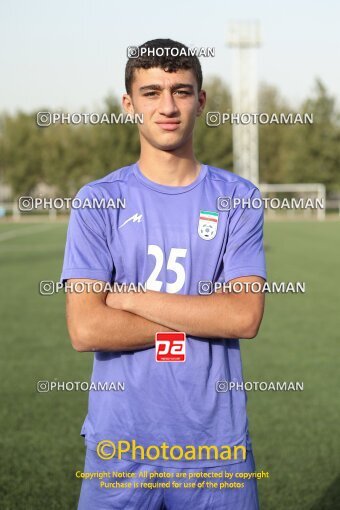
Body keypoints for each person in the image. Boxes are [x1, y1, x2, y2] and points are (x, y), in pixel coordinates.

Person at [61, 38, 266, 510]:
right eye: (152, 92)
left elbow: (243, 319)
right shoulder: (98, 200)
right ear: (129, 104)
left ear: (201, 101)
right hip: (120, 448)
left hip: (216, 448)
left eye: (181, 90)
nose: (168, 106)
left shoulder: (238, 197)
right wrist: (201, 315)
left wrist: (129, 297)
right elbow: (87, 328)